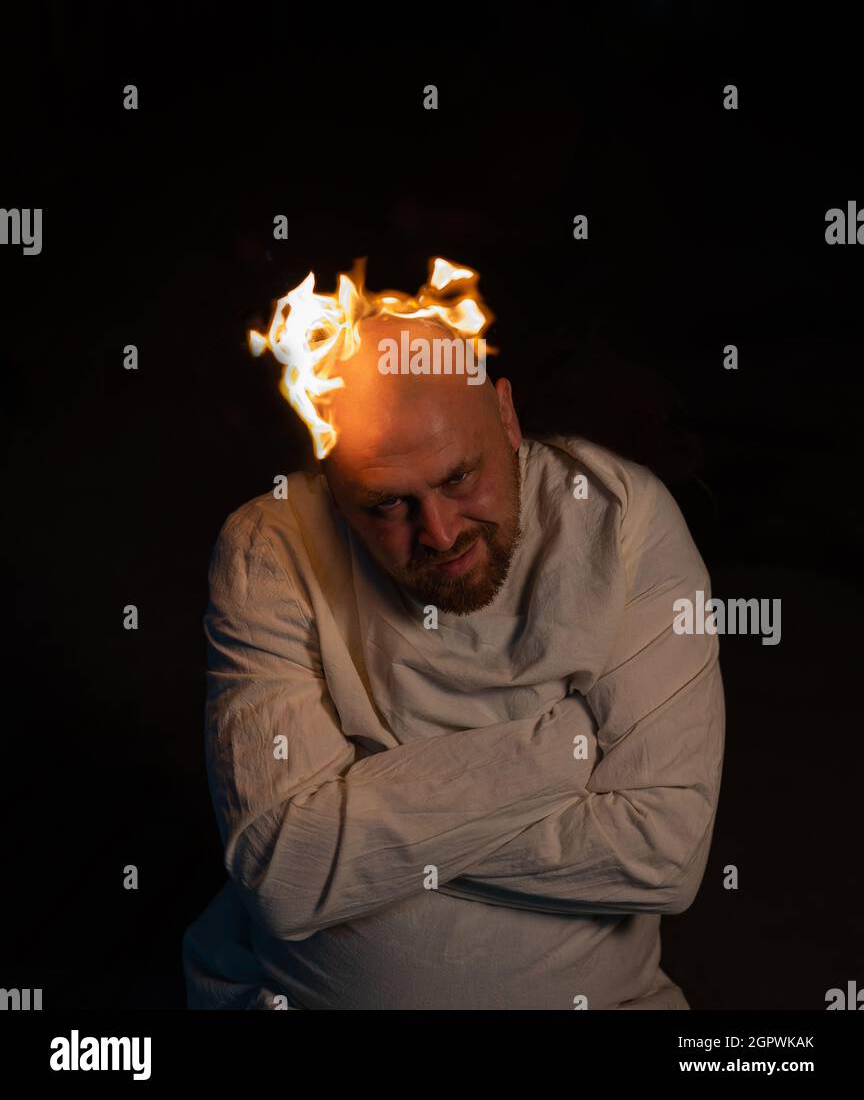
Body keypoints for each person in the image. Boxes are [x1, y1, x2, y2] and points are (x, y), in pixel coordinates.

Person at [182, 314, 725, 1010]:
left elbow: (664, 854)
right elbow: (283, 874)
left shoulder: (622, 517)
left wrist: (356, 829)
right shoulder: (269, 545)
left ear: (506, 414)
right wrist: (563, 750)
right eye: (388, 504)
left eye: (460, 476)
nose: (438, 532)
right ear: (330, 475)